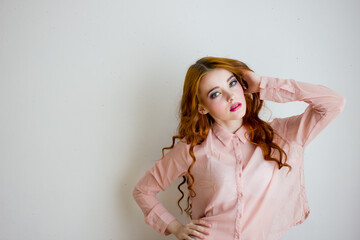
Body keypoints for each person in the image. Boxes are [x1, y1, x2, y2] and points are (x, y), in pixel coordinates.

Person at [132, 56, 346, 240]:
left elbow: (333, 103)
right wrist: (176, 228)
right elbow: (143, 191)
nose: (230, 96)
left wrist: (264, 84)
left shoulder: (280, 135)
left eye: (232, 83)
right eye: (215, 94)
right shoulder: (191, 148)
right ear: (202, 107)